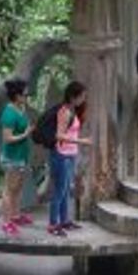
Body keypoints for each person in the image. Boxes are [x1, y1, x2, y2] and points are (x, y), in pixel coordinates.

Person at [48, 81, 91, 236]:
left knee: (66, 189)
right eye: (82, 96)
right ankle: (53, 224)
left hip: (70, 154)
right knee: (59, 190)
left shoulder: (73, 111)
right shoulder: (64, 112)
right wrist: (82, 141)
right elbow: (59, 135)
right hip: (61, 155)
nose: (83, 99)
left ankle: (64, 220)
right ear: (73, 97)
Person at [0, 78, 34, 236]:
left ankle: (16, 215)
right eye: (25, 95)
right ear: (17, 96)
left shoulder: (21, 108)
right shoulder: (9, 113)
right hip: (12, 157)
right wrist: (25, 134)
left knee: (18, 187)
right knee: (9, 189)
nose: (27, 97)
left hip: (22, 155)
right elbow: (7, 138)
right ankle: (6, 222)